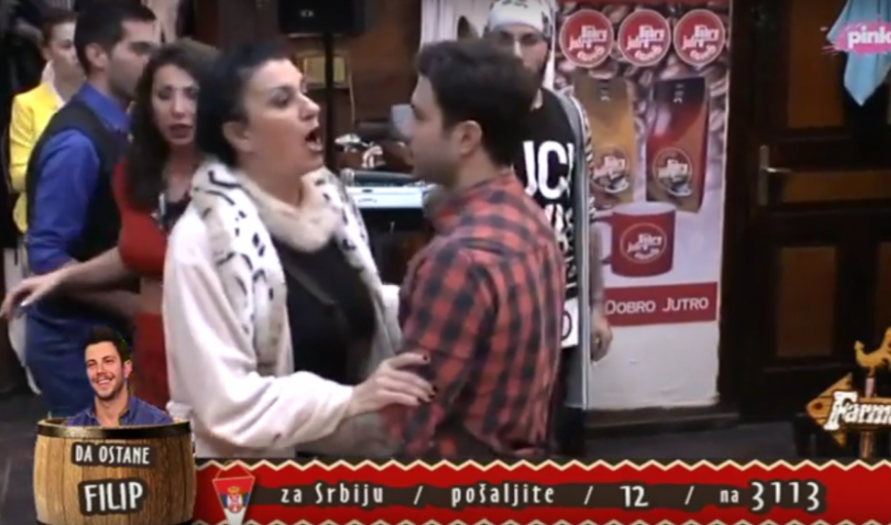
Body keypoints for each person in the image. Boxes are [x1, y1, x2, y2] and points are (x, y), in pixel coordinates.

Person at [162, 41, 433, 458]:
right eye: (282, 101)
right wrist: (351, 400)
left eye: (304, 91)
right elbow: (226, 404)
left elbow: (358, 304)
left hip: (347, 468)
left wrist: (430, 296)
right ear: (240, 133)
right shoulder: (204, 239)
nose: (311, 108)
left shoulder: (330, 200)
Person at [0, 40, 217, 409]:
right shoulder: (137, 173)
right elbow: (137, 250)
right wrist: (61, 278)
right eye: (164, 95)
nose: (178, 109)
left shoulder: (237, 179)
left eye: (193, 95)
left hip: (214, 353)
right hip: (151, 352)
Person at [374, 39, 564, 459]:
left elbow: (408, 428)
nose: (407, 131)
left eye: (420, 116)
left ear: (465, 137)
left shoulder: (458, 261)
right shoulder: (532, 221)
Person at [484, 0, 612, 457]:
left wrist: (596, 304)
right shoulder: (471, 116)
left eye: (529, 40)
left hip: (562, 299)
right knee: (500, 438)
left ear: (548, 47)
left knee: (559, 431)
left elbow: (586, 214)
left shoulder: (570, 115)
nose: (516, 53)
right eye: (503, 40)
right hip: (497, 301)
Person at [23, 2, 158, 417]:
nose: (153, 64)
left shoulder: (122, 125)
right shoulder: (77, 144)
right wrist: (129, 305)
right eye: (140, 50)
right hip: (74, 339)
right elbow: (46, 257)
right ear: (98, 55)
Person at [4, 7, 82, 394]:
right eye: (65, 45)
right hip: (42, 224)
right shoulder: (28, 104)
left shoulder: (107, 98)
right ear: (47, 51)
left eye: (80, 44)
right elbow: (18, 174)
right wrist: (63, 163)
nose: (75, 54)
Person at [65, 326, 173, 426]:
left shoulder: (157, 424)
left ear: (126, 368)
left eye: (108, 361)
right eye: (92, 364)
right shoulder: (73, 428)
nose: (99, 370)